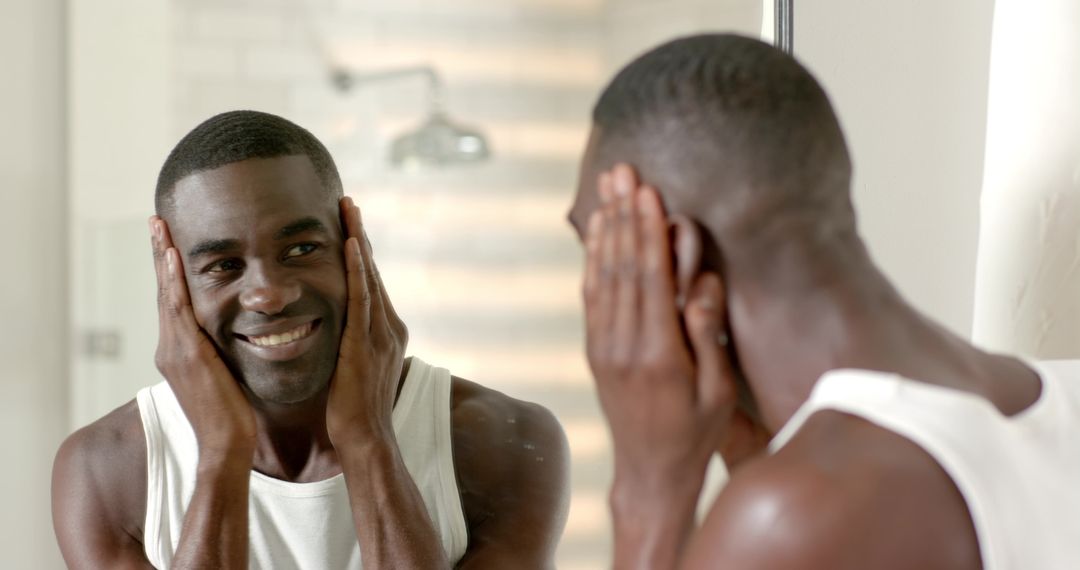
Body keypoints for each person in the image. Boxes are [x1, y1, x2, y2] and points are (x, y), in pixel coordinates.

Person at [567, 33, 1080, 569]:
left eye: (600, 252)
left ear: (675, 255)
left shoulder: (789, 516)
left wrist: (649, 495)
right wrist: (758, 461)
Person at [52, 110, 569, 569]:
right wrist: (222, 453)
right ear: (173, 286)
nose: (269, 295)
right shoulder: (106, 471)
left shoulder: (505, 442)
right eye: (223, 265)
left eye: (301, 248)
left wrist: (369, 440)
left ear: (355, 249)